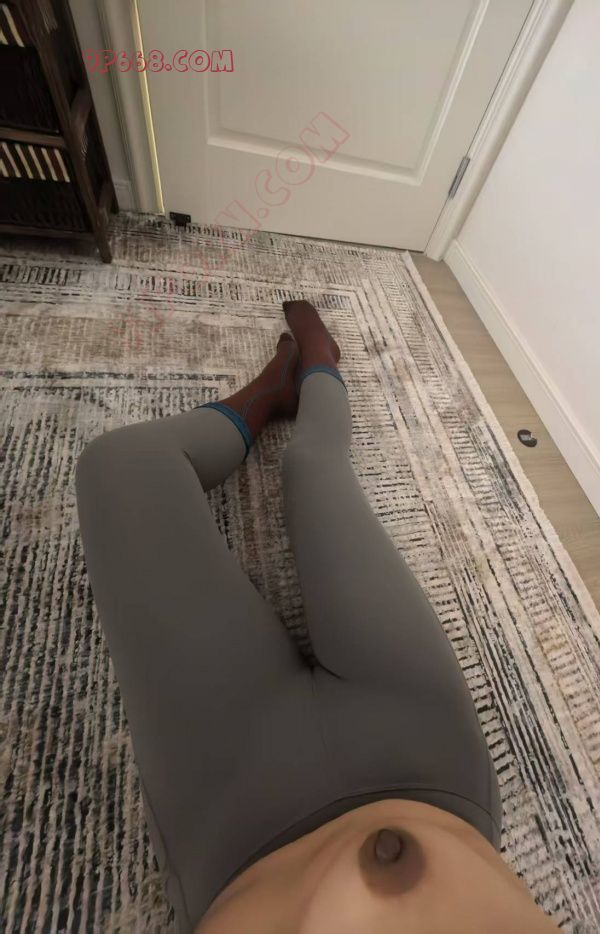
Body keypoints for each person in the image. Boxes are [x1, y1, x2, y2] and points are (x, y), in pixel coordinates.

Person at [76, 300, 556, 933]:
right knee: (314, 467)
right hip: (425, 764)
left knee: (119, 464)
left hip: (236, 822)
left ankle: (282, 385)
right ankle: (311, 370)